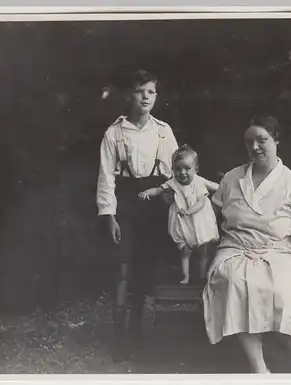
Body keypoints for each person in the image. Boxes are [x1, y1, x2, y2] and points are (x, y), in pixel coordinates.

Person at [202, 115, 291, 373]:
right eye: (249, 142)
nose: (254, 147)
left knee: (285, 286)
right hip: (235, 250)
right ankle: (260, 369)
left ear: (276, 141)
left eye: (262, 140)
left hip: (278, 251)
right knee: (236, 283)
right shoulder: (233, 178)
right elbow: (208, 216)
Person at [96, 69, 178, 354]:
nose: (145, 96)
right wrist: (110, 216)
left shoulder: (163, 131)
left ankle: (137, 330)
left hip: (154, 204)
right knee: (122, 266)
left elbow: (176, 174)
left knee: (144, 267)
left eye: (151, 92)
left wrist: (174, 205)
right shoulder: (114, 132)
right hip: (125, 204)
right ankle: (119, 336)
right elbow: (106, 178)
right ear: (129, 95)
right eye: (140, 90)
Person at [139, 145, 220, 284]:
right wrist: (147, 193)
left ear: (195, 169)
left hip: (199, 220)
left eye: (187, 169)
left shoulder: (198, 182)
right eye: (177, 169)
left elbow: (201, 202)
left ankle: (202, 275)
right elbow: (159, 189)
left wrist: (188, 211)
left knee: (203, 250)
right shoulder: (173, 182)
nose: (182, 173)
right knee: (183, 250)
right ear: (173, 169)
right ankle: (185, 276)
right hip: (182, 222)